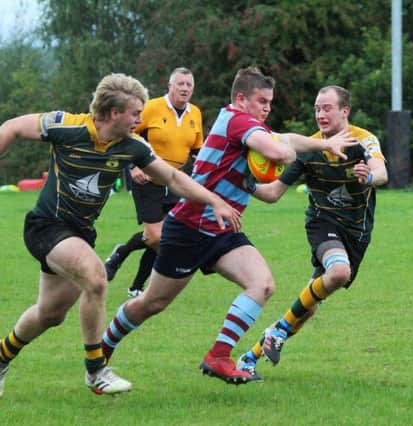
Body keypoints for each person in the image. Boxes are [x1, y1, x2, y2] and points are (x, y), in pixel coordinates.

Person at [100, 67, 358, 386]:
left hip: (224, 228)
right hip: (191, 226)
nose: (267, 108)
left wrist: (324, 145)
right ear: (240, 99)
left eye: (269, 102)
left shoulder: (249, 125)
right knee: (152, 302)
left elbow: (285, 138)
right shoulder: (237, 120)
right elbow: (281, 149)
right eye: (261, 101)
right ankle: (103, 348)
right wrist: (290, 154)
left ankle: (219, 356)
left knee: (262, 284)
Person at [0, 73, 240, 397]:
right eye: (135, 113)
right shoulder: (65, 125)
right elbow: (11, 127)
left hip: (80, 233)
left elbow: (171, 177)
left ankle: (2, 357)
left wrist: (214, 200)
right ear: (114, 113)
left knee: (50, 314)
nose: (140, 119)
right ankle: (96, 370)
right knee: (97, 277)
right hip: (46, 226)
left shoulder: (133, 146)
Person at [235, 85, 388, 380]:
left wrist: (369, 175)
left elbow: (381, 173)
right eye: (317, 108)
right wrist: (244, 183)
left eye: (327, 108)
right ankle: (278, 330)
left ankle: (250, 356)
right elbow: (273, 194)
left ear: (345, 111)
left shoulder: (364, 140)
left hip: (356, 233)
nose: (320, 114)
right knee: (339, 272)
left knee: (308, 308)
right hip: (322, 224)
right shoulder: (308, 149)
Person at [104, 67, 204, 297]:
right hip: (147, 176)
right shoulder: (151, 107)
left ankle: (136, 287)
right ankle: (122, 252)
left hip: (175, 180)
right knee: (156, 236)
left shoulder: (195, 113)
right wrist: (133, 166)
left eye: (189, 85)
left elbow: (198, 149)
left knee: (165, 237)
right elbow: (125, 134)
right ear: (170, 86)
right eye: (180, 84)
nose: (185, 88)